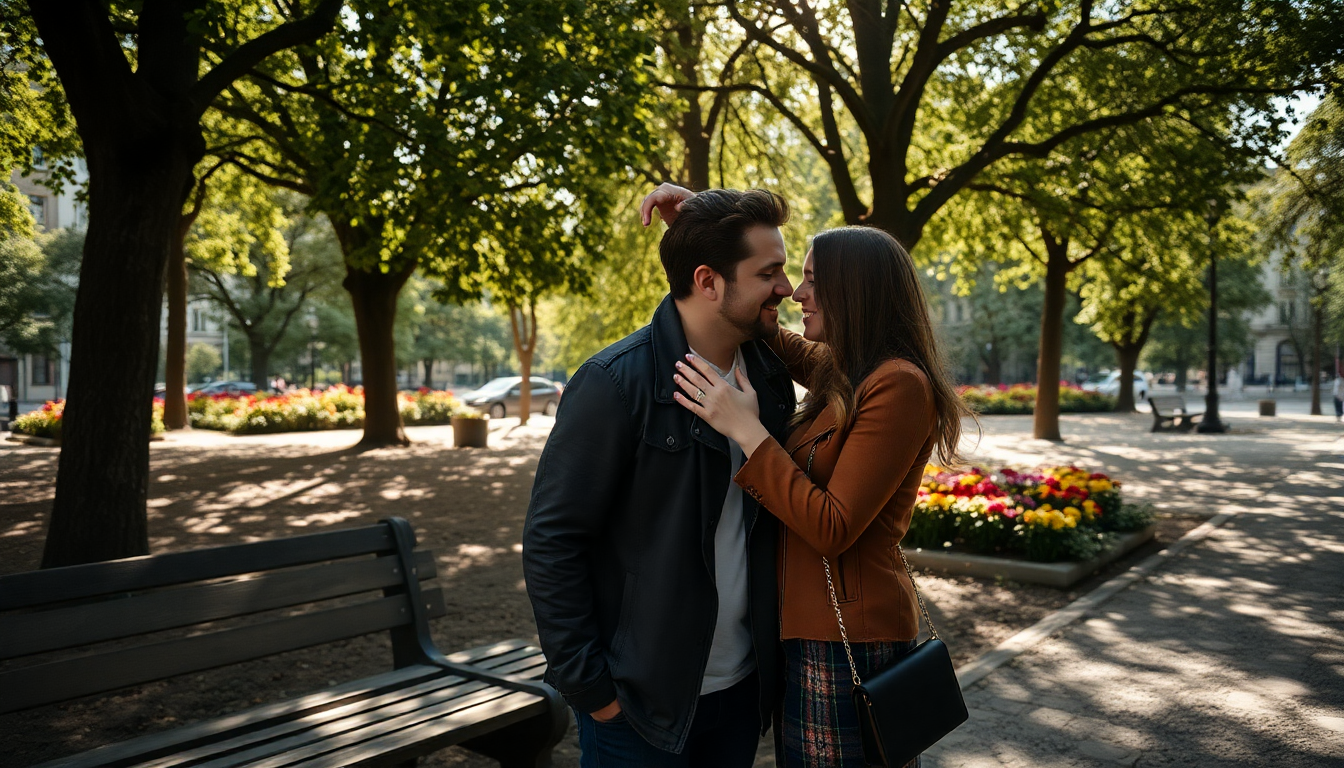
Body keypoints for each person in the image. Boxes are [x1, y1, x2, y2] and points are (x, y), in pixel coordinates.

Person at [647, 183, 972, 767]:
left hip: (847, 638)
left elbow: (833, 526)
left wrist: (748, 433)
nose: (794, 291)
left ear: (858, 292)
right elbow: (761, 322)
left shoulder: (897, 385)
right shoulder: (848, 369)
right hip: (810, 629)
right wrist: (705, 228)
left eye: (813, 279)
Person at [521, 188, 798, 767]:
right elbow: (553, 541)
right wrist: (594, 691)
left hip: (742, 690)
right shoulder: (615, 382)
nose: (787, 288)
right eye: (768, 272)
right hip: (637, 708)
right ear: (708, 281)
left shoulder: (770, 377)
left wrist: (705, 219)